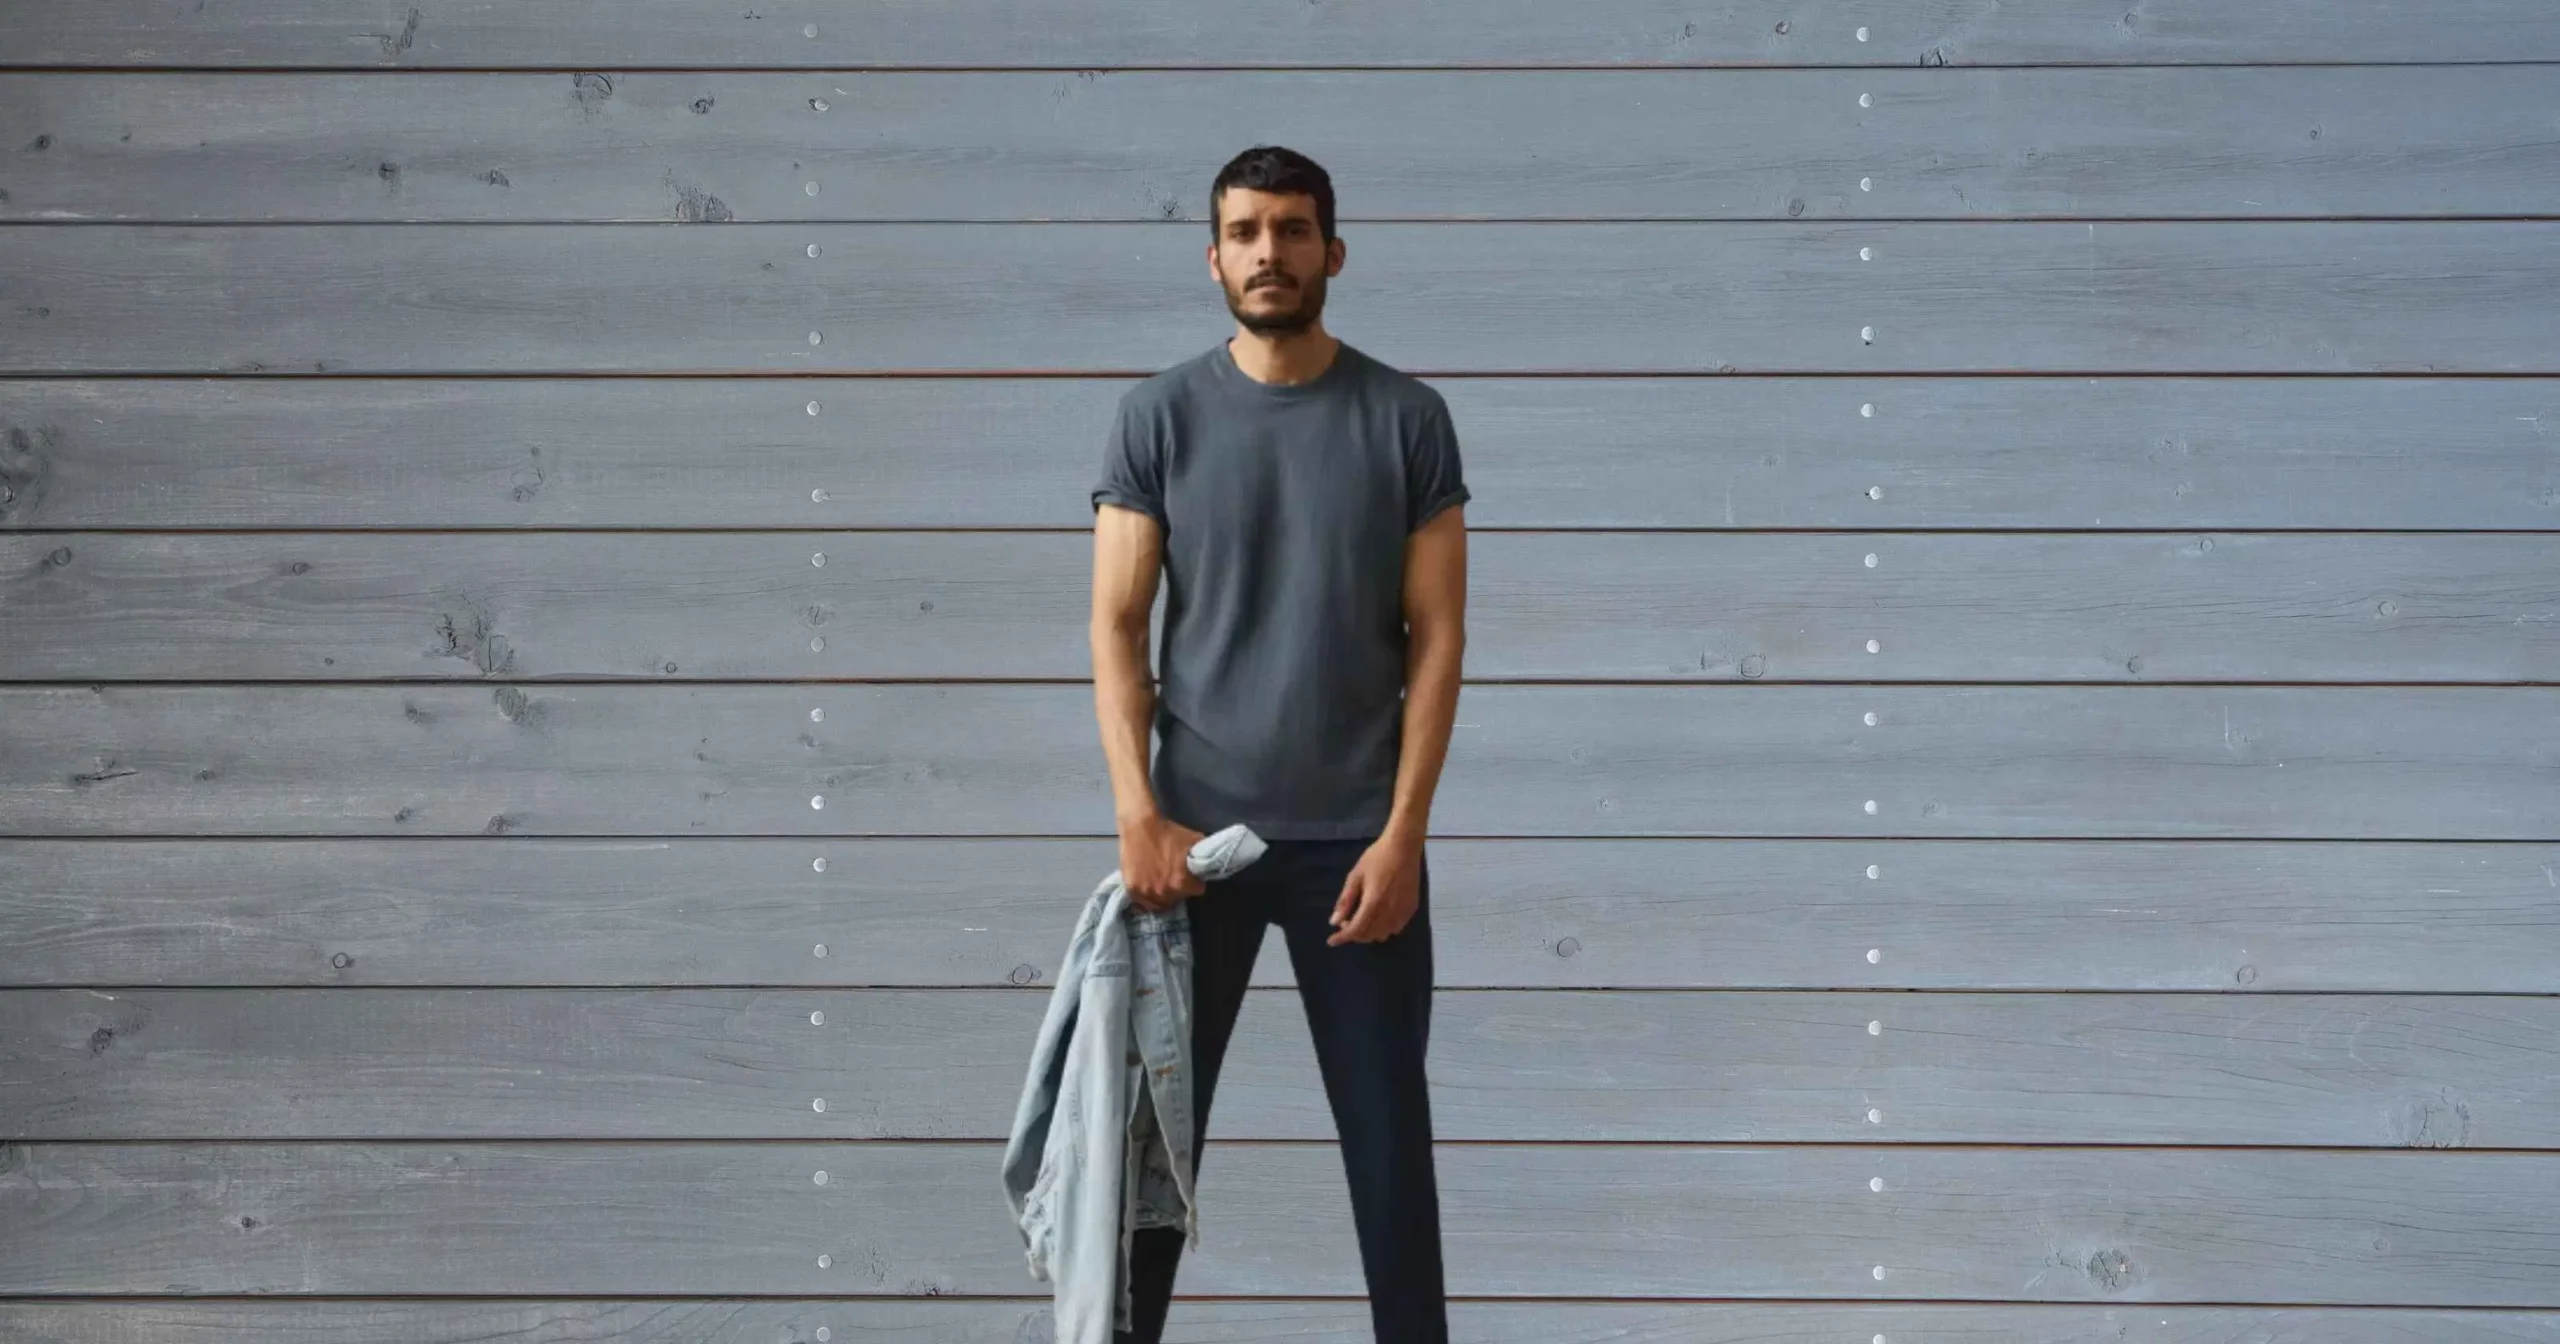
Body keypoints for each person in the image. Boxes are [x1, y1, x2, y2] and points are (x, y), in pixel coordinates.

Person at [1086, 144, 1470, 1344]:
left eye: (1292, 230)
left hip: (1358, 850)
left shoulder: (1408, 418)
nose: (1269, 252)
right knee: (1146, 1168)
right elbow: (1114, 621)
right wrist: (1138, 817)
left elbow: (1439, 638)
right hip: (1194, 850)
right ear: (1213, 258)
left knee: (1390, 1163)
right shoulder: (1157, 416)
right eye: (1245, 232)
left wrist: (1404, 837)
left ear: (1331, 253)